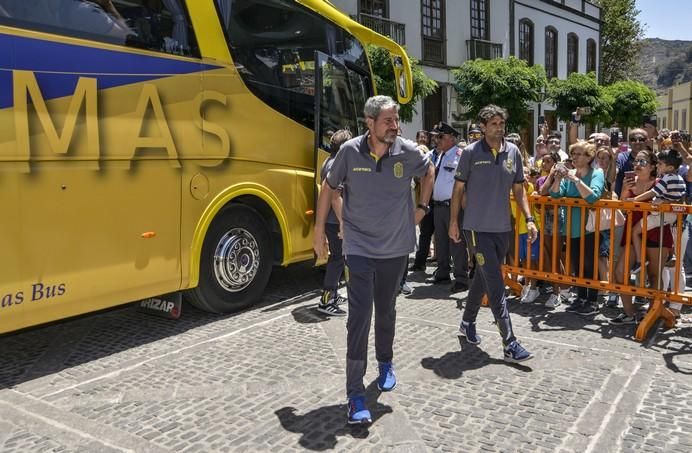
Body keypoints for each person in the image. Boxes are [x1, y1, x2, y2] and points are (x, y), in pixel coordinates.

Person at [313, 95, 434, 425]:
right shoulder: (350, 152)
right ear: (370, 123)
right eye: (388, 121)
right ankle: (354, 394)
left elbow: (429, 170)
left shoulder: (407, 151)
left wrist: (422, 208)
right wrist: (318, 231)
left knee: (387, 310)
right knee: (359, 315)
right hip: (360, 248)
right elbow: (329, 186)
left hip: (396, 249)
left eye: (396, 120)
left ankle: (385, 361)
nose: (395, 126)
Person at [449, 104, 535, 363]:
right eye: (494, 124)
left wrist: (529, 218)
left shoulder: (513, 153)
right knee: (496, 284)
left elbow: (519, 188)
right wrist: (454, 221)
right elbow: (458, 190)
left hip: (502, 228)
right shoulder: (471, 153)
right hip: (476, 228)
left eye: (501, 123)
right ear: (483, 127)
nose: (499, 128)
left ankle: (467, 322)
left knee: (483, 279)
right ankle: (509, 343)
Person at [609, 150, 672, 324]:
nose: (638, 165)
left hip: (656, 231)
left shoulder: (659, 183)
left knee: (653, 274)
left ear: (652, 166)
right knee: (620, 272)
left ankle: (654, 312)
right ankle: (630, 313)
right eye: (636, 161)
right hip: (632, 231)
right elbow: (622, 207)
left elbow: (675, 202)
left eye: (643, 162)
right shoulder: (629, 182)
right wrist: (625, 192)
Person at [548, 141, 605, 315]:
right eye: (574, 154)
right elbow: (555, 194)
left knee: (589, 264)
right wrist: (557, 179)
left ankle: (593, 300)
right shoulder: (570, 173)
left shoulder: (597, 173)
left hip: (589, 227)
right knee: (576, 264)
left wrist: (576, 180)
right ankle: (580, 297)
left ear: (589, 157)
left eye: (580, 154)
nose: (575, 157)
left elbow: (593, 196)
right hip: (571, 228)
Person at [627, 148, 686, 272]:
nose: (657, 166)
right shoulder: (680, 179)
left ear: (669, 167)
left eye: (660, 164)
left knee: (635, 231)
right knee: (670, 233)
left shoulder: (666, 178)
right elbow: (681, 196)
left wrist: (635, 199)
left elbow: (654, 191)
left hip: (661, 213)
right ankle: (672, 254)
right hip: (673, 214)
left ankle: (640, 260)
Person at [430, 122, 470, 292]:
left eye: (440, 137)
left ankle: (461, 278)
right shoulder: (441, 155)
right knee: (441, 242)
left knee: (457, 243)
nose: (436, 140)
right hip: (438, 206)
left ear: (452, 138)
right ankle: (443, 272)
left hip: (452, 206)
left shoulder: (459, 156)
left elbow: (463, 184)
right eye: (436, 137)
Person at [316, 129, 352, 316]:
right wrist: (343, 222)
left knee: (338, 258)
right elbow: (335, 197)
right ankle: (326, 300)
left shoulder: (327, 161)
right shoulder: (337, 164)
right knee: (337, 259)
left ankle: (333, 295)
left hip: (331, 219)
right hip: (334, 220)